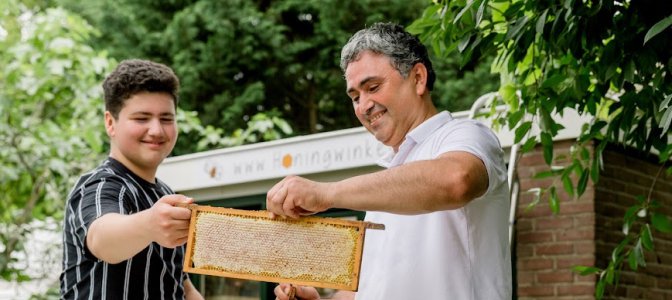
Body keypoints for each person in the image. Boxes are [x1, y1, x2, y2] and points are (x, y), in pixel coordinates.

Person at [267, 22, 511, 300]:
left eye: (373, 87)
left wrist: (327, 193)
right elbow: (374, 288)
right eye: (355, 96)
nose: (363, 106)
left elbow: (457, 180)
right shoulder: (388, 179)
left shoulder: (466, 135)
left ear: (418, 78)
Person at [60, 59, 204, 299]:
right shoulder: (98, 186)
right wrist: (151, 224)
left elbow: (181, 285)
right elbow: (101, 239)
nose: (157, 130)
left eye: (166, 119)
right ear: (110, 123)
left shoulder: (166, 195)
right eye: (141, 118)